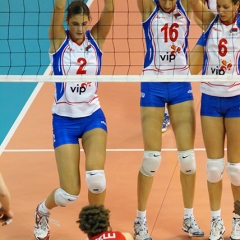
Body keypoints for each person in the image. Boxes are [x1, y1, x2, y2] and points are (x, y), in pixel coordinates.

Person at [33, 0, 114, 239]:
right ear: (68, 22)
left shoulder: (95, 39)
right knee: (69, 193)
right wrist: (60, 7)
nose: (80, 28)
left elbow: (110, 10)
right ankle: (41, 211)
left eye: (83, 23)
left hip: (92, 116)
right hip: (64, 121)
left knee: (96, 178)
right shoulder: (59, 41)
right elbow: (58, 8)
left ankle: (97, 230)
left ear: (89, 22)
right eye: (75, 23)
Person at [133, 0, 204, 239]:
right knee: (151, 159)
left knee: (188, 160)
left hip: (180, 83)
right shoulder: (147, 8)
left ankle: (188, 216)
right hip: (153, 84)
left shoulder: (185, 6)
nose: (168, 2)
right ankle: (140, 219)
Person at [188, 0, 240, 239]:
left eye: (226, 6)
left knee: (236, 169)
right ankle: (216, 220)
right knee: (213, 167)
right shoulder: (210, 23)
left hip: (236, 99)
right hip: (210, 98)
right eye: (218, 6)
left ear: (238, 5)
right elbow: (191, 3)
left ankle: (238, 219)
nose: (220, 11)